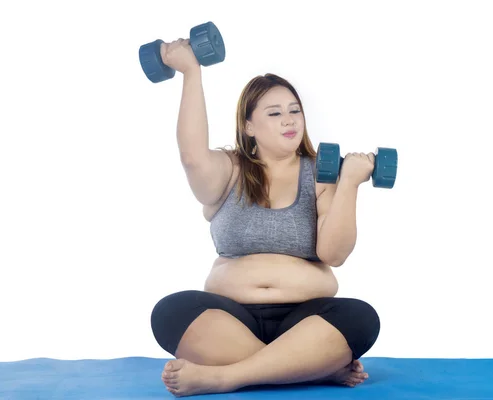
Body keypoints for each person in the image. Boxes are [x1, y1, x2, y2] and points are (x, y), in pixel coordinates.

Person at [150, 39, 381, 397]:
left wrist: (349, 181)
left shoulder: (322, 173)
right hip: (229, 320)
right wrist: (191, 71)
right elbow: (193, 157)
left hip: (307, 320)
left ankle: (225, 377)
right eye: (274, 113)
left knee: (361, 318)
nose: (289, 120)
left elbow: (334, 254)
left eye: (295, 111)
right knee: (169, 311)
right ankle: (310, 367)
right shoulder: (228, 171)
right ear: (249, 127)